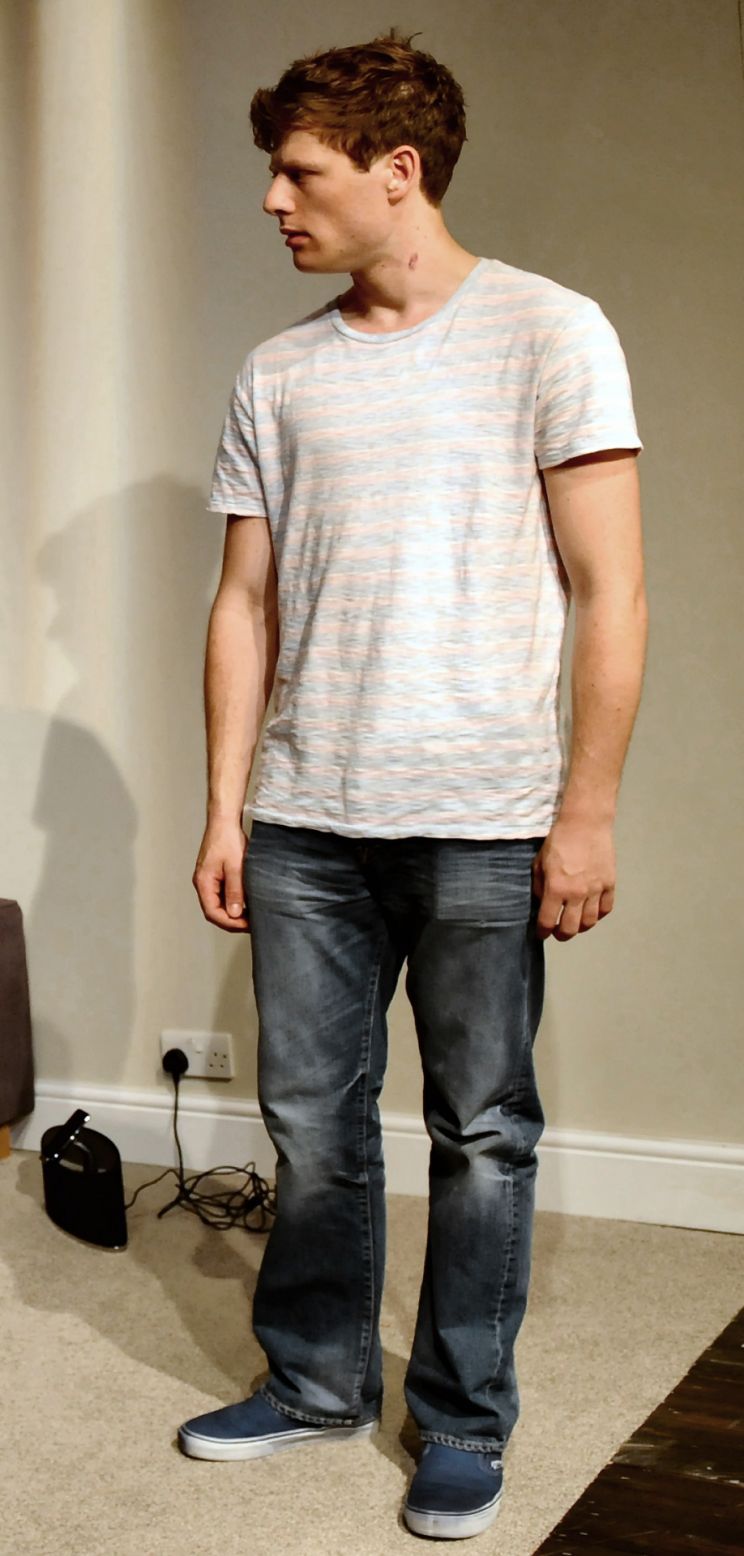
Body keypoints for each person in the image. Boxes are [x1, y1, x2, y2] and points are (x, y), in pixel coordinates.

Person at [180, 27, 647, 1542]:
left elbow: (612, 591)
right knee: (313, 1128)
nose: (272, 200)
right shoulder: (277, 372)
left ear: (398, 170)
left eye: (298, 170)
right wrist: (224, 805)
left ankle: (458, 1418)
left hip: (485, 818)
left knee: (482, 1131)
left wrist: (586, 812)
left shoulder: (550, 333)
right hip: (306, 819)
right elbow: (243, 604)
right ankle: (317, 1382)